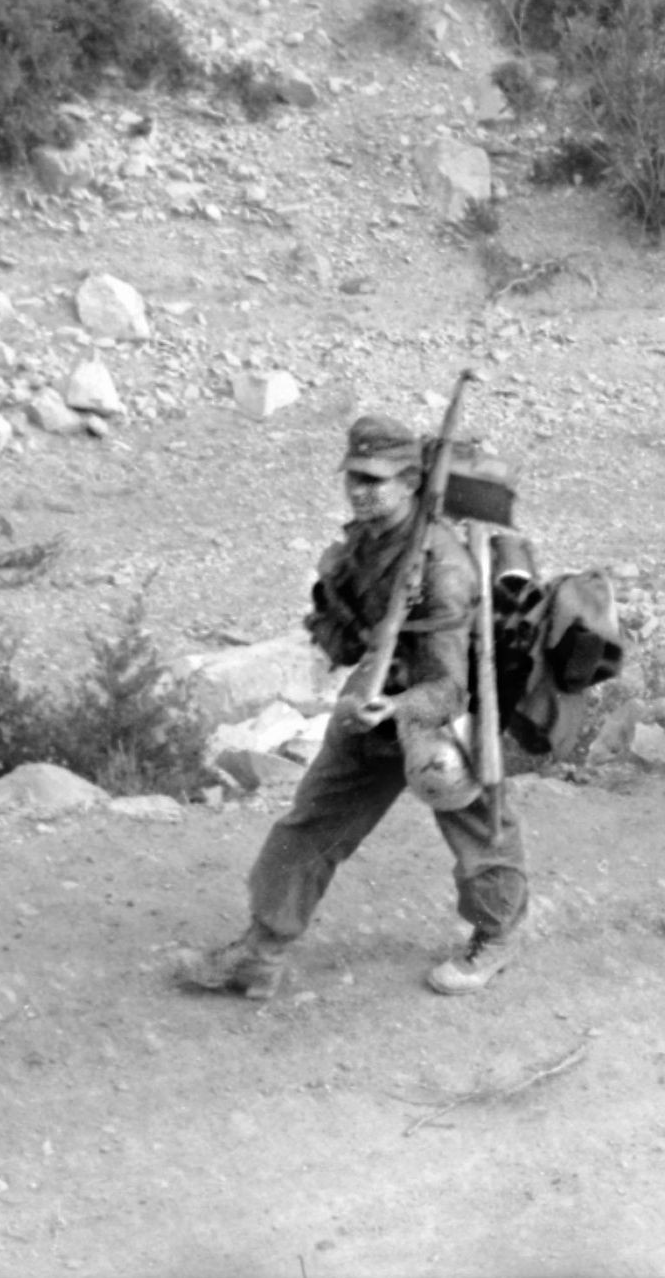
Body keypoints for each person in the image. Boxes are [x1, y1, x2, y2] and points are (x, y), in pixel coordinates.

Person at [176, 414, 528, 1000]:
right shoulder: (364, 542)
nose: (362, 490)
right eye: (355, 477)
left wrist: (394, 709)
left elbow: (449, 686)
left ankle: (498, 935)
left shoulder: (443, 567)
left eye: (377, 479)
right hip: (376, 693)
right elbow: (342, 631)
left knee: (478, 827)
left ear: (412, 481)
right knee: (312, 822)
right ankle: (261, 954)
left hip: (443, 713)